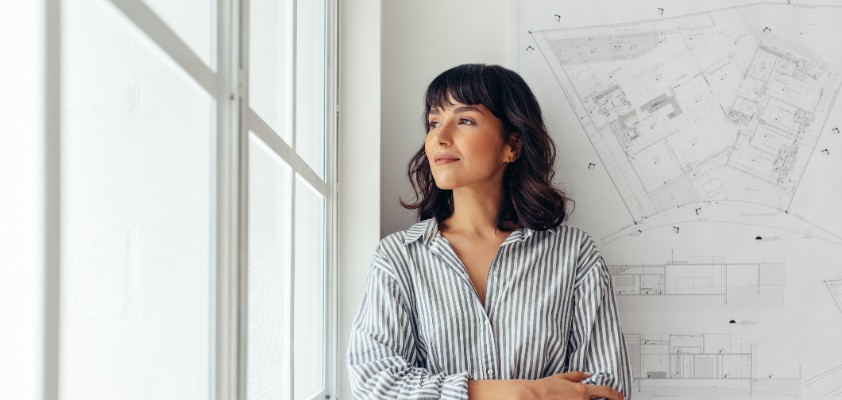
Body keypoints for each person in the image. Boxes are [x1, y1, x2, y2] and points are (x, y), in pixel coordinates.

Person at [347, 64, 632, 399]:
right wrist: (522, 393)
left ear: (511, 145)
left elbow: (605, 390)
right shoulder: (399, 257)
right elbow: (374, 382)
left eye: (465, 120)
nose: (440, 136)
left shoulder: (575, 254)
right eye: (434, 122)